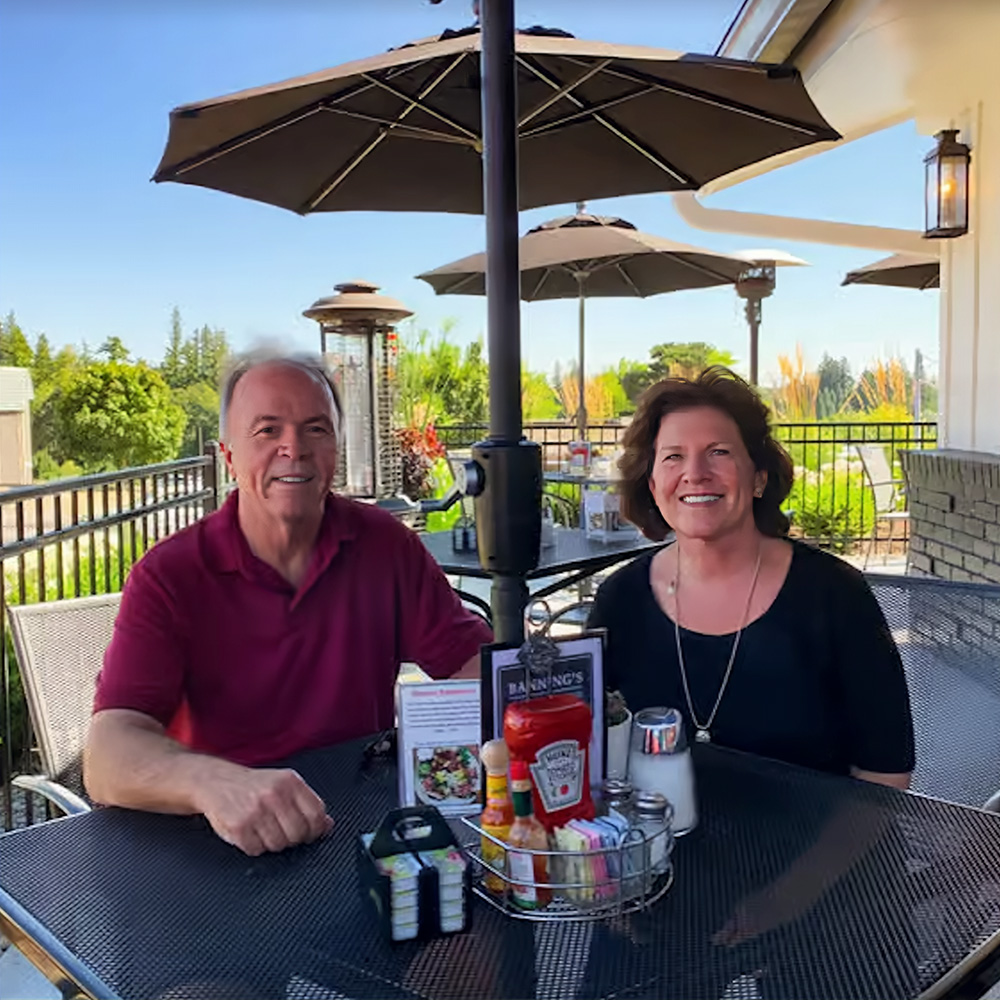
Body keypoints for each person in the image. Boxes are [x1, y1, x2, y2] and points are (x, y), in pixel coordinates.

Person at [84, 350, 492, 857]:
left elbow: (473, 666)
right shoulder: (170, 574)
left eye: (316, 428)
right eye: (267, 430)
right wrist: (214, 782)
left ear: (336, 449)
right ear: (227, 454)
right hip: (214, 846)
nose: (293, 448)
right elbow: (107, 755)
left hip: (356, 828)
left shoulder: (385, 545)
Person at [588, 366, 914, 786]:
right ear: (652, 484)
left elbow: (885, 772)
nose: (695, 472)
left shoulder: (835, 596)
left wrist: (818, 857)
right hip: (658, 848)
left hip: (821, 847)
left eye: (719, 452)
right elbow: (591, 746)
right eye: (673, 456)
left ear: (759, 476)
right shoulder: (621, 600)